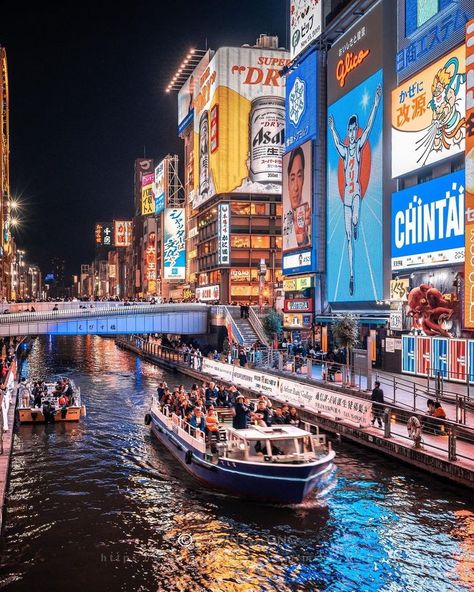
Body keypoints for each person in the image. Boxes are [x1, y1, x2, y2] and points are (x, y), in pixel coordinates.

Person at [328, 84, 382, 296]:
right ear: (347, 132)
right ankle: (351, 275)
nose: (351, 133)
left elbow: (369, 127)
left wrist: (376, 102)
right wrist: (332, 128)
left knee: (356, 220)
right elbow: (334, 143)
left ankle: (357, 223)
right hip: (346, 200)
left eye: (353, 129)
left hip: (356, 192)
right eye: (349, 130)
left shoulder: (358, 147)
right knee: (349, 237)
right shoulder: (344, 149)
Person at [283, 145, 311, 250]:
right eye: (292, 178)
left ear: (303, 179)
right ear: (288, 183)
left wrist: (304, 241)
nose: (295, 188)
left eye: (299, 177)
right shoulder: (286, 216)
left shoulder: (309, 215)